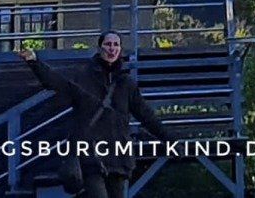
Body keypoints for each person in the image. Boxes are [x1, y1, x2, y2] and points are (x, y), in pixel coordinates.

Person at [18, 30, 172, 198]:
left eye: (116, 45)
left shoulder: (126, 83)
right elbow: (57, 82)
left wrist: (171, 141)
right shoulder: (84, 77)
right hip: (91, 155)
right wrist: (34, 62)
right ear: (99, 48)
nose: (112, 49)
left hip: (118, 157)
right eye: (108, 44)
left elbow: (146, 116)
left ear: (120, 49)